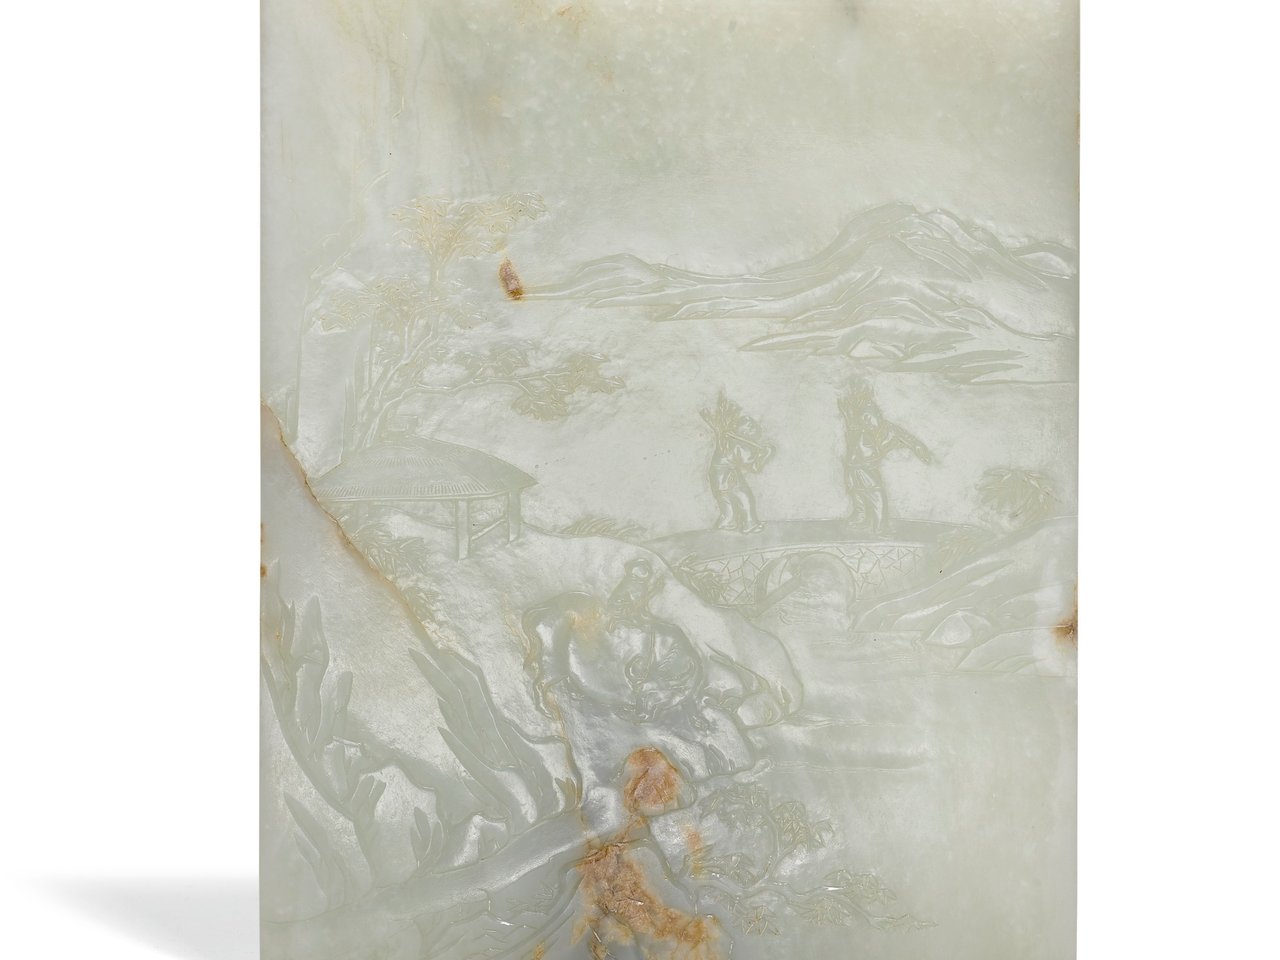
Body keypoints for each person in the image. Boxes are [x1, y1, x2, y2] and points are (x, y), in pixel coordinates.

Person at [839, 381, 930, 533]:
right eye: (866, 417)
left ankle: (866, 521)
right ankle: (878, 527)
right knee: (874, 494)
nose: (868, 419)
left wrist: (919, 449)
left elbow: (909, 439)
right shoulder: (858, 426)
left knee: (862, 494)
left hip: (859, 465)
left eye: (873, 415)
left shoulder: (883, 427)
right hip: (859, 466)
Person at [707, 411, 774, 533]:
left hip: (717, 477)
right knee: (745, 498)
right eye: (754, 432)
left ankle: (726, 524)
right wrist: (766, 454)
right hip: (729, 477)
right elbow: (754, 467)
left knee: (727, 505)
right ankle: (749, 524)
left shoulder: (727, 441)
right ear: (747, 431)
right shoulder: (740, 445)